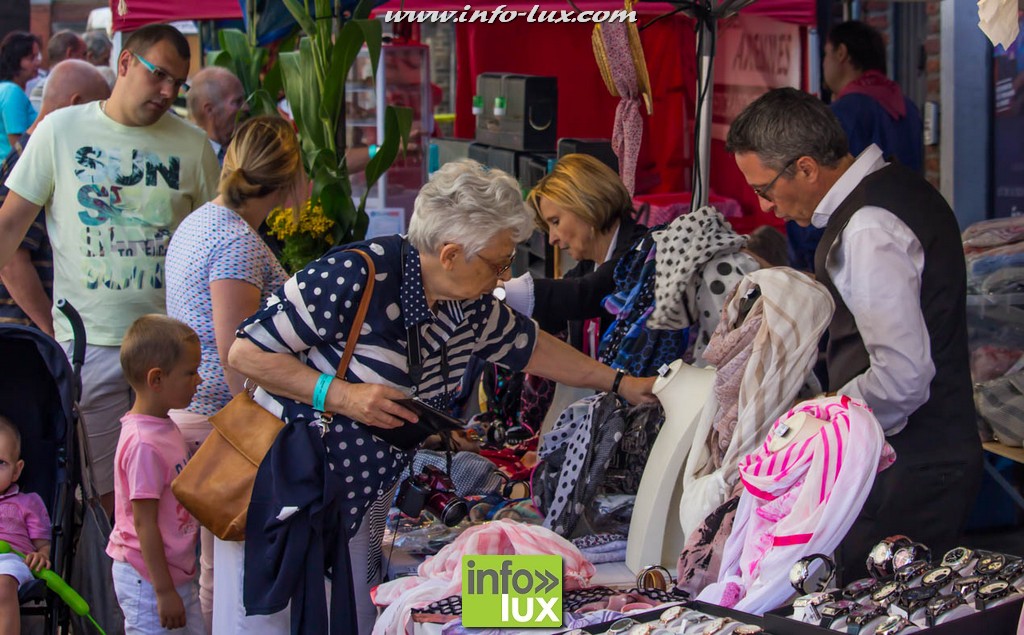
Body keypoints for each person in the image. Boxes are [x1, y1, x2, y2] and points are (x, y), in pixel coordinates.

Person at [225, 159, 658, 634]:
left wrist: (619, 383)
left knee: (351, 615)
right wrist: (342, 396)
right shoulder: (353, 274)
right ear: (451, 254)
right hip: (293, 495)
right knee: (282, 622)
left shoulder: (463, 303)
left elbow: (528, 345)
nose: (501, 276)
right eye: (498, 263)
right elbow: (246, 351)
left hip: (362, 500)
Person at [726, 87, 982, 582]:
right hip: (913, 456)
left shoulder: (868, 226)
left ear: (804, 167)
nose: (765, 207)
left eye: (764, 189)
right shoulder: (890, 192)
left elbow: (902, 377)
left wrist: (823, 425)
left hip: (910, 464)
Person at [0, 23, 220, 515]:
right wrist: (50, 334)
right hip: (92, 344)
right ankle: (121, 590)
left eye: (177, 83)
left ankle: (170, 585)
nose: (167, 92)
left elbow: (214, 240)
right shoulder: (61, 130)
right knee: (102, 485)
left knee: (177, 481)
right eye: (158, 74)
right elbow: (9, 227)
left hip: (174, 345)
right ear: (124, 64)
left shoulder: (194, 146)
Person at [165, 115, 298, 631]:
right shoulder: (236, 240)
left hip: (202, 417)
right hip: (224, 426)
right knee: (226, 575)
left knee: (215, 570)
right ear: (288, 182)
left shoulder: (204, 221)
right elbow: (236, 354)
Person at [788, 20, 924, 272]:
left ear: (841, 53)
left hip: (851, 253)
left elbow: (818, 191)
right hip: (907, 242)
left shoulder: (845, 112)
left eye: (826, 54)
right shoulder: (907, 108)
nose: (824, 63)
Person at [107, 315, 203, 635]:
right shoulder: (144, 443)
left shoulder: (163, 424)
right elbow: (143, 522)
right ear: (156, 379)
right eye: (190, 372)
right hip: (147, 580)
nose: (199, 380)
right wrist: (163, 592)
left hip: (175, 574)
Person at [0, 60, 110, 333]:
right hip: (26, 335)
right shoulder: (30, 157)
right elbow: (12, 261)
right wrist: (51, 333)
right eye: (98, 109)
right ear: (75, 104)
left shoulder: (40, 151)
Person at [500, 153, 648, 354]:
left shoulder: (640, 253)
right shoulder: (590, 265)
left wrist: (502, 291)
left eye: (555, 222)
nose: (552, 239)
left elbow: (587, 294)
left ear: (586, 204)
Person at [0, 416, 51, 635]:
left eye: (0, 463)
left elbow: (43, 545)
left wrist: (42, 554)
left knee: (2, 584)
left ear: (16, 470)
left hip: (12, 560)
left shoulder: (28, 502)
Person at [185, 67, 249, 164]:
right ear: (209, 110)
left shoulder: (246, 151)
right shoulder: (192, 161)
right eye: (237, 102)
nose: (246, 107)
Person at [0, 32, 41, 163]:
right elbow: (18, 145)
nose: (38, 62)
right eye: (31, 58)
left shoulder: (6, 89)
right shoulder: (12, 92)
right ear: (16, 60)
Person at [27, 30, 87, 111]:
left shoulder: (39, 88)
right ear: (70, 53)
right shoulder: (65, 91)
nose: (87, 61)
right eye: (84, 54)